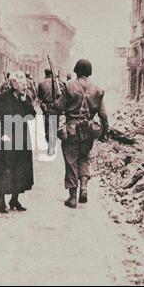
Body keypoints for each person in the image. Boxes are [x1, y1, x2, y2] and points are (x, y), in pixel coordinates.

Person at [54, 59, 109, 209]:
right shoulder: (97, 89)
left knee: (71, 161)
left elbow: (59, 107)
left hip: (71, 129)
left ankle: (73, 197)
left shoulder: (68, 85)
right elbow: (103, 115)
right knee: (84, 158)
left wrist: (56, 96)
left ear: (76, 70)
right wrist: (105, 132)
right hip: (89, 130)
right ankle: (84, 187)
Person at [0, 70, 36, 215]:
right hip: (5, 138)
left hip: (21, 138)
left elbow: (32, 116)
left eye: (25, 84)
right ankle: (1, 200)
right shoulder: (2, 99)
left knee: (21, 169)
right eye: (22, 84)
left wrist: (25, 102)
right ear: (14, 84)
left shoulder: (25, 99)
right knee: (4, 168)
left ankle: (15, 199)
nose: (25, 87)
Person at [37, 68, 61, 155]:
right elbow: (60, 94)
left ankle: (50, 145)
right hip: (55, 107)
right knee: (54, 127)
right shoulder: (56, 82)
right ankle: (52, 145)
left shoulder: (41, 83)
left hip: (46, 108)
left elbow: (39, 96)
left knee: (47, 128)